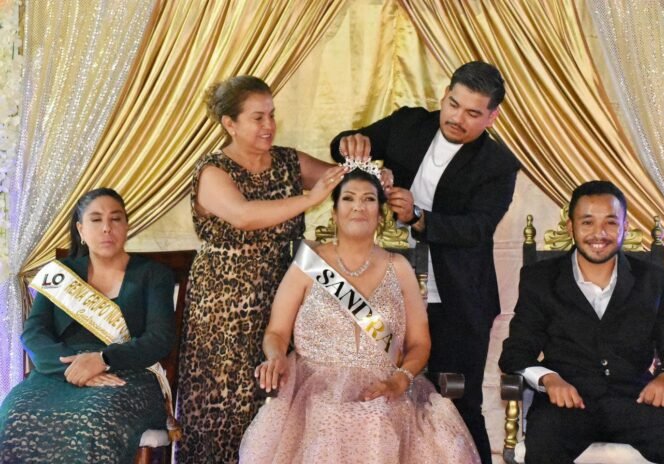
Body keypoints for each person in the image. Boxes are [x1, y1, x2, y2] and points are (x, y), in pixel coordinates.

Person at [330, 61, 520, 463]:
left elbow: (478, 228)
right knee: (382, 396)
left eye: (473, 113)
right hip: (384, 298)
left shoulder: (498, 164)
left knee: (456, 402)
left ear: (492, 116)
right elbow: (342, 147)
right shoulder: (409, 124)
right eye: (453, 104)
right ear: (444, 95)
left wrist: (419, 217)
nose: (457, 118)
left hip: (457, 301)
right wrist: (351, 142)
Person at [239, 166, 481, 463]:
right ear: (334, 212)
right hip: (314, 390)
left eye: (368, 199)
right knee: (329, 418)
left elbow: (419, 344)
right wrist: (276, 356)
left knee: (377, 416)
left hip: (386, 388)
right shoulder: (309, 264)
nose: (358, 206)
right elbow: (277, 332)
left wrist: (400, 380)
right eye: (348, 198)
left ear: (380, 214)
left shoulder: (399, 268)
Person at [176, 75, 349, 463]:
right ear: (230, 123)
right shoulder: (213, 170)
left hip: (283, 295)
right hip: (225, 306)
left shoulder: (288, 160)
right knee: (225, 404)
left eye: (271, 114)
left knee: (275, 401)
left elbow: (341, 179)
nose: (269, 125)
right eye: (257, 117)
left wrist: (368, 170)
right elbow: (245, 216)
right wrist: (309, 198)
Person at [499, 180, 664, 464]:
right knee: (543, 445)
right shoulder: (540, 279)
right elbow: (516, 351)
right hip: (566, 402)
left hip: (636, 399)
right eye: (587, 222)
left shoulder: (653, 280)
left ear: (625, 226)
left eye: (611, 223)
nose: (599, 233)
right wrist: (548, 379)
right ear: (570, 227)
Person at [0, 188, 176, 464]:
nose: (107, 227)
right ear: (81, 229)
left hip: (127, 374)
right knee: (13, 417)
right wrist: (74, 369)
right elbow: (34, 333)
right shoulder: (60, 275)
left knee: (93, 421)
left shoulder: (153, 275)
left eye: (115, 219)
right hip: (58, 373)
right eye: (96, 219)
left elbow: (159, 338)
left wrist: (103, 360)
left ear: (126, 226)